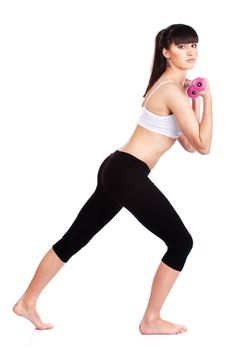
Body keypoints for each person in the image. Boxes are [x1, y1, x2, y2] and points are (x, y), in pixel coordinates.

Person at [13, 23, 212, 335]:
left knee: (75, 238)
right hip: (127, 172)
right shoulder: (172, 91)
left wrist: (195, 99)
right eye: (182, 46)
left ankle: (26, 301)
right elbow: (203, 145)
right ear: (166, 52)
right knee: (181, 242)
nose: (190, 52)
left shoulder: (172, 89)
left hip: (119, 169)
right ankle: (151, 320)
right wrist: (209, 98)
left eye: (194, 45)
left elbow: (188, 144)